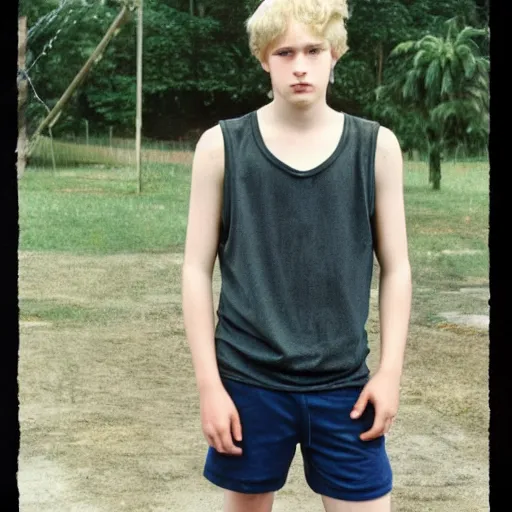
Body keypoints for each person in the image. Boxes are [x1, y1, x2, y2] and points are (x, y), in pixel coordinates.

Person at [182, 0, 412, 510]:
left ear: (336, 52)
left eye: (313, 49)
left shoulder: (377, 148)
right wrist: (209, 387)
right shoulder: (221, 147)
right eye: (285, 52)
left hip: (345, 387)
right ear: (264, 57)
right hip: (248, 383)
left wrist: (390, 372)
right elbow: (196, 270)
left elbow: (396, 269)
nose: (301, 65)